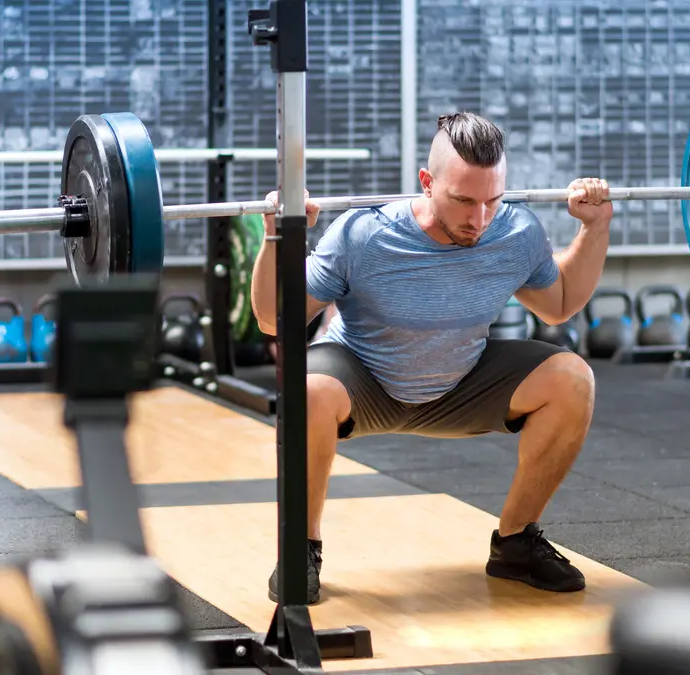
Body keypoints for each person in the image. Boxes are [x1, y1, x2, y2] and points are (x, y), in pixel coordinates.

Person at [249, 111, 613, 604]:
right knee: (307, 389)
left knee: (572, 379)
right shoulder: (364, 234)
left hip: (464, 382)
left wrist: (594, 229)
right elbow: (274, 319)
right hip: (364, 381)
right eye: (463, 200)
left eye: (492, 199)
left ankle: (515, 543)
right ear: (427, 182)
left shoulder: (514, 232)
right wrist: (278, 234)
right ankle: (301, 548)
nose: (478, 219)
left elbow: (560, 303)